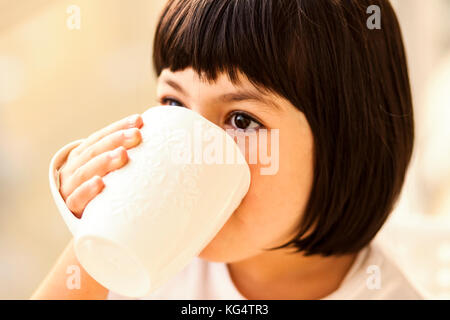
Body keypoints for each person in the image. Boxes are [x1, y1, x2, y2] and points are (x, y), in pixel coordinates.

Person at [32, 0, 424, 299]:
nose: (189, 151)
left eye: (241, 120)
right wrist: (95, 236)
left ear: (348, 143)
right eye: (174, 104)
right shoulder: (154, 251)